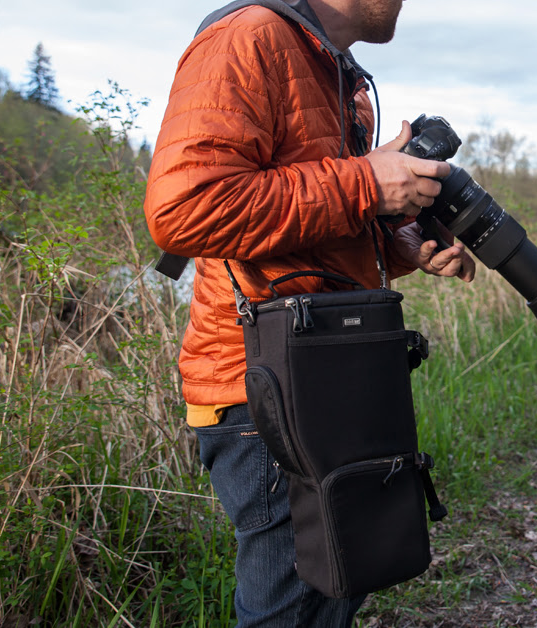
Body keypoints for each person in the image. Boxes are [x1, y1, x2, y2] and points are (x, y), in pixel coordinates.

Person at [143, 0, 476, 625]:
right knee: (292, 611)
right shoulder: (250, 36)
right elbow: (187, 207)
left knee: (335, 590)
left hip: (326, 372)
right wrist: (364, 184)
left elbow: (313, 231)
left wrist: (405, 240)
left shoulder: (331, 66)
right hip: (265, 392)